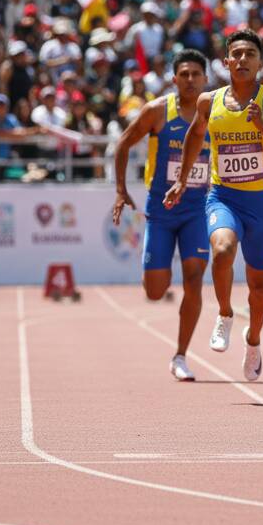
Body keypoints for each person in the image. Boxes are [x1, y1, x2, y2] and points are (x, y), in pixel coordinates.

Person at [165, 30, 263, 382]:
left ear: (260, 62)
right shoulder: (210, 102)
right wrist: (181, 181)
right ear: (225, 63)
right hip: (222, 196)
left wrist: (262, 124)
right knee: (222, 251)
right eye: (235, 54)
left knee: (259, 285)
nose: (241, 59)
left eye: (249, 54)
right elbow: (194, 135)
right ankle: (224, 313)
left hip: (261, 204)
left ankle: (253, 340)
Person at [113, 50, 213, 382]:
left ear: (205, 79)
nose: (189, 80)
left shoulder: (218, 113)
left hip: (198, 210)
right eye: (183, 74)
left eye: (195, 74)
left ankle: (181, 355)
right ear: (174, 79)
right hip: (161, 211)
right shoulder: (157, 111)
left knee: (195, 280)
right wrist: (120, 189)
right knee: (155, 290)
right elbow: (124, 145)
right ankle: (160, 270)